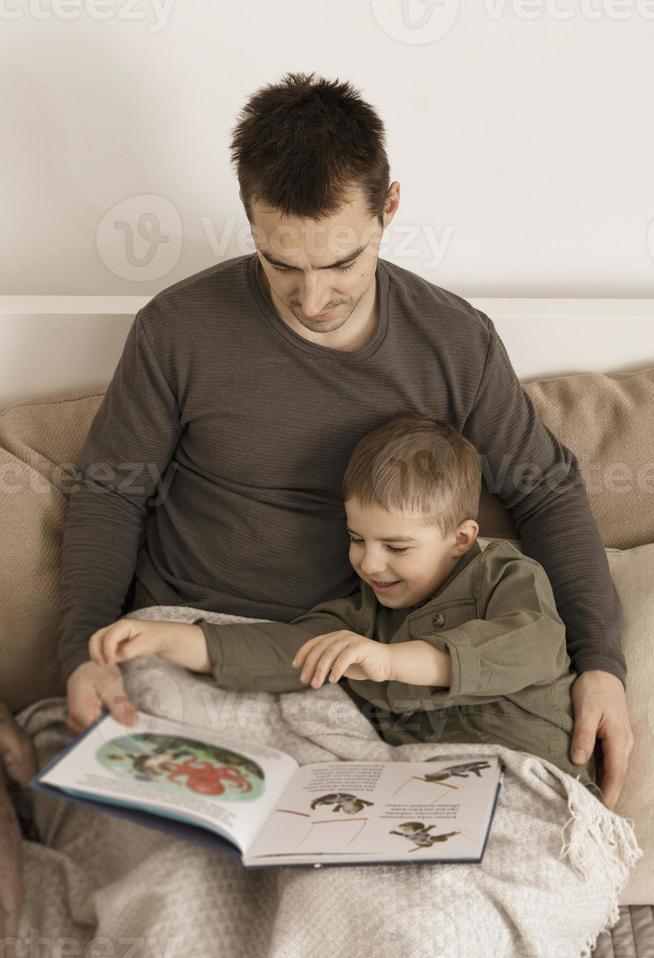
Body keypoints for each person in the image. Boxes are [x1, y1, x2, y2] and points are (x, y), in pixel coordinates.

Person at [60, 71, 632, 810]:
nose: (313, 299)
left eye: (341, 263)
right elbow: (109, 494)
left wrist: (601, 665)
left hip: (358, 674)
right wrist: (83, 653)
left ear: (387, 209)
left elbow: (546, 492)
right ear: (251, 223)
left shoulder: (453, 343)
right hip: (187, 647)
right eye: (281, 265)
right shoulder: (178, 329)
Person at [88, 415, 603, 802]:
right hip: (428, 792)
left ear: (460, 538)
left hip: (536, 781)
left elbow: (531, 643)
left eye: (396, 548)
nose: (369, 563)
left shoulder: (504, 575)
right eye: (357, 538)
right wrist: (165, 638)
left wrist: (393, 660)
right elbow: (286, 649)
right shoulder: (365, 616)